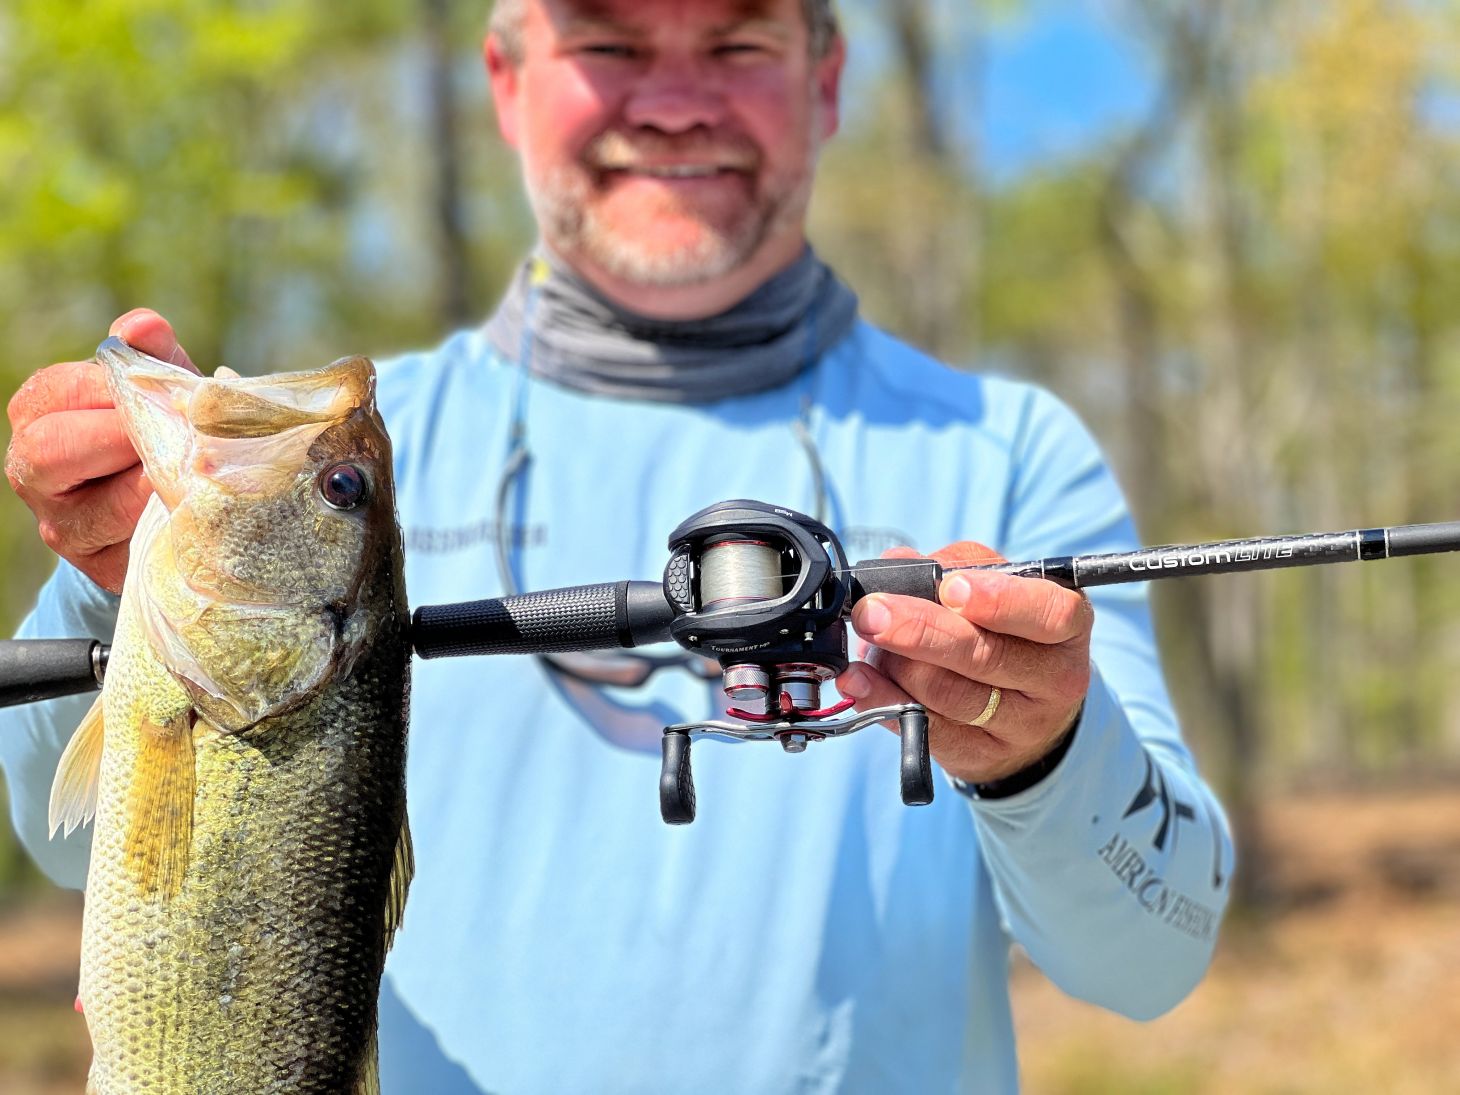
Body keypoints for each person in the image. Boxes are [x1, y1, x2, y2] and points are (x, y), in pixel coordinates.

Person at [2, 1, 1234, 1091]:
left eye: (739, 38)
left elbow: (1153, 951)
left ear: (824, 78)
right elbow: (55, 835)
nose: (676, 100)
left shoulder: (1007, 448)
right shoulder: (358, 462)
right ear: (504, 78)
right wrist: (114, 567)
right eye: (607, 40)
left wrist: (1044, 753)